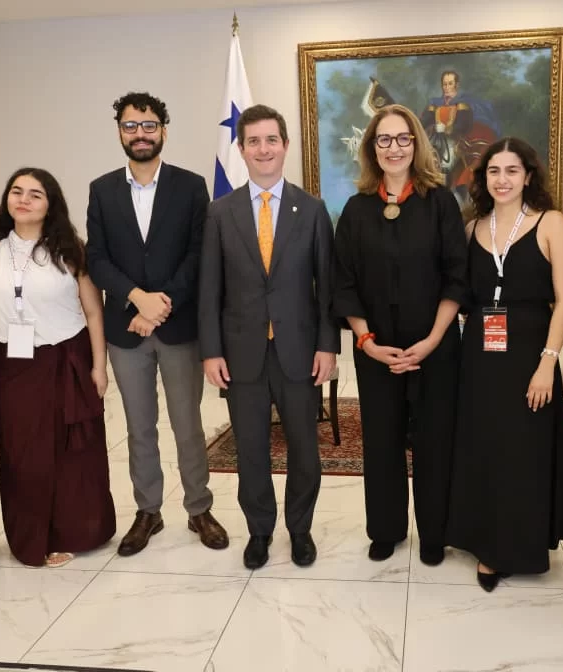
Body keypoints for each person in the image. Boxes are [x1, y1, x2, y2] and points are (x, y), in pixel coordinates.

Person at [85, 91, 227, 556]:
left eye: (149, 125)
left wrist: (161, 306)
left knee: (188, 424)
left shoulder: (190, 186)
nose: (140, 134)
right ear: (119, 132)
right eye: (131, 126)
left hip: (179, 326)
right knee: (139, 426)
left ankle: (199, 507)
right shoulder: (102, 190)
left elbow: (198, 254)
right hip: (125, 331)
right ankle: (148, 510)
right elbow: (97, 259)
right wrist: (138, 300)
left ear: (163, 130)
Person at [199, 104, 339, 570]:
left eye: (271, 140)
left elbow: (327, 287)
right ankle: (259, 530)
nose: (263, 149)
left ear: (285, 146)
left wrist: (328, 345)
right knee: (251, 451)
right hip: (242, 354)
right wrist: (211, 351)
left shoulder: (312, 210)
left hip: (299, 351)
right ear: (241, 149)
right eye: (254, 141)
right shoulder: (220, 213)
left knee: (304, 450)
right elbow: (209, 289)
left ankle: (300, 529)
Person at [333, 104, 467, 567]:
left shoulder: (440, 203)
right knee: (381, 441)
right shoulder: (356, 209)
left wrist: (431, 341)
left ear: (416, 144)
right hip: (376, 348)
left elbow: (456, 278)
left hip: (434, 346)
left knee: (434, 442)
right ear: (372, 148)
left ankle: (434, 533)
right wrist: (366, 342)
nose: (394, 148)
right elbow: (343, 283)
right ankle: (386, 530)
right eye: (384, 139)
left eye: (403, 138)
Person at [445, 137, 563, 591]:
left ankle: (519, 545)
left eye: (512, 170)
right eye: (494, 171)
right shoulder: (471, 228)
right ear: (483, 178)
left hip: (530, 356)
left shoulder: (550, 223)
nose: (502, 180)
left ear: (528, 176)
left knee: (523, 451)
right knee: (484, 447)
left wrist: (547, 364)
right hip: (480, 357)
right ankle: (484, 542)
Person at [0, 168, 115, 568]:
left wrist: (99, 366)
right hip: (12, 366)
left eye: (35, 194)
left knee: (74, 451)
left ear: (50, 203)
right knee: (22, 453)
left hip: (66, 359)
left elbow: (94, 311)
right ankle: (30, 535)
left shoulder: (71, 250)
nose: (24, 199)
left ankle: (74, 531)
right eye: (17, 191)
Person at [420, 70, 499, 200]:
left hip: (456, 140)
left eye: (450, 84)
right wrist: (432, 127)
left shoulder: (462, 104)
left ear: (456, 85)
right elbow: (424, 122)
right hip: (435, 139)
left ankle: (453, 190)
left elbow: (464, 125)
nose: (447, 87)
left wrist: (449, 129)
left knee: (449, 161)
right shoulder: (434, 104)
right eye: (444, 84)